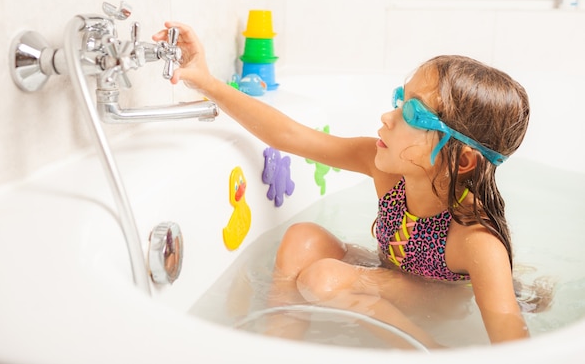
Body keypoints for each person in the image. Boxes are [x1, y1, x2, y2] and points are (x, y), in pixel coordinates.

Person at [153, 22, 534, 347]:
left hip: (439, 299)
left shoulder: (475, 238)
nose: (388, 116)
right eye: (399, 99)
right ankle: (278, 342)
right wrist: (204, 80)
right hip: (392, 274)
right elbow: (289, 135)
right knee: (303, 238)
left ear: (463, 159)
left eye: (414, 113)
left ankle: (426, 350)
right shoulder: (387, 170)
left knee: (324, 278)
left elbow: (513, 342)